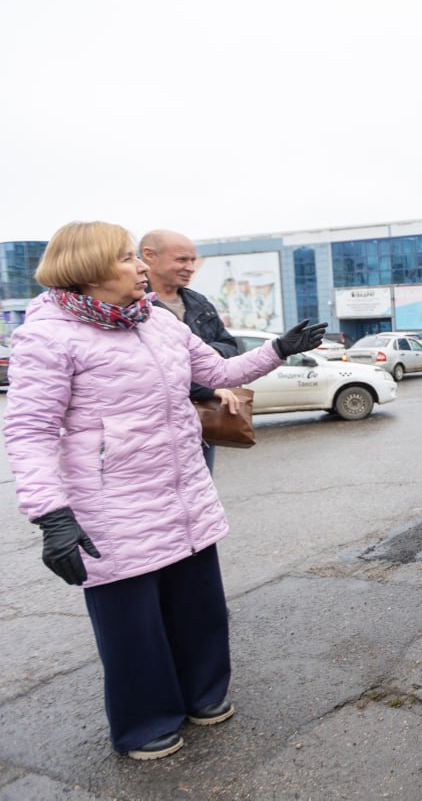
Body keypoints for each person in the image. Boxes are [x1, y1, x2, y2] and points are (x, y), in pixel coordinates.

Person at [3, 221, 326, 760]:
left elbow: (220, 370)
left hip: (184, 494)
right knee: (134, 628)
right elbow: (29, 431)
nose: (139, 268)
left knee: (199, 611)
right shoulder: (47, 336)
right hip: (112, 507)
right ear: (90, 272)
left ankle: (204, 695)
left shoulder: (156, 321)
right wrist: (50, 514)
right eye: (128, 259)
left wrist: (278, 348)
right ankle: (145, 722)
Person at [140, 229, 239, 472]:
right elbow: (149, 368)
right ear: (149, 256)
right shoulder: (132, 306)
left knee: (200, 492)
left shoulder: (199, 303)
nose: (191, 267)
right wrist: (209, 387)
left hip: (202, 419)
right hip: (153, 426)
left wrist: (211, 353)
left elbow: (230, 345)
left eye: (192, 260)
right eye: (181, 259)